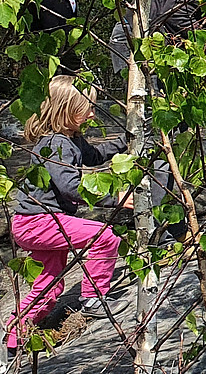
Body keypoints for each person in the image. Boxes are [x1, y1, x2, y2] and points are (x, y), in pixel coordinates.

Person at [7, 76, 129, 350]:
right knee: (104, 237)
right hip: (39, 221)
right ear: (65, 110)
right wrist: (115, 198)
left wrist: (127, 139)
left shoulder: (71, 139)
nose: (92, 113)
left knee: (49, 285)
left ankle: (14, 338)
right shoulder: (56, 143)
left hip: (38, 222)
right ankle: (93, 298)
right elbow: (70, 186)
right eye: (86, 108)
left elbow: (96, 156)